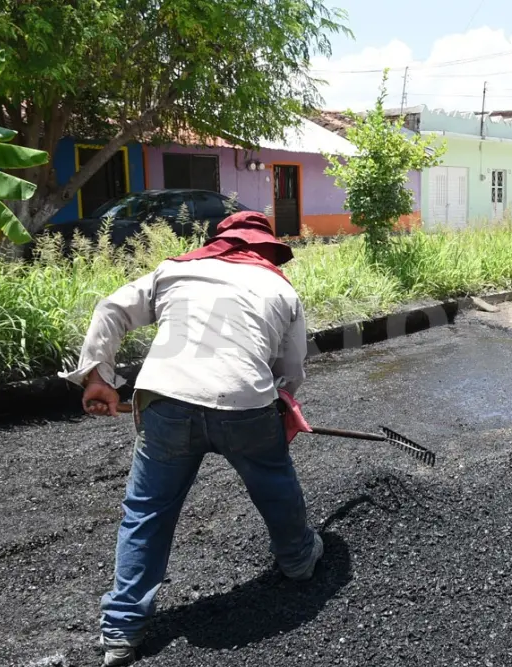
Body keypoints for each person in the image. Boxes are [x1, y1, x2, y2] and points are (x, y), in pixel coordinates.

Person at [59, 211, 320, 666]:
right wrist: (282, 404)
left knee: (147, 510)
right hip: (244, 406)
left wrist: (98, 378)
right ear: (267, 249)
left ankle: (121, 630)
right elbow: (290, 369)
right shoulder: (280, 289)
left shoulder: (175, 271)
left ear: (217, 240)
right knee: (273, 483)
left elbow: (111, 310)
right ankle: (298, 560)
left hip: (166, 401)